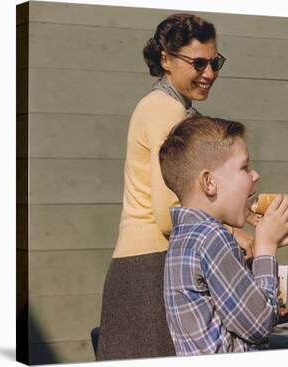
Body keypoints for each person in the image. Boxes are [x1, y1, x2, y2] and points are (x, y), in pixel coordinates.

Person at [97, 13, 254, 360]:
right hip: (150, 268)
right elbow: (169, 215)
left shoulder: (171, 108)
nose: (209, 74)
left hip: (147, 265)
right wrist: (233, 233)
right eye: (198, 63)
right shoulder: (165, 110)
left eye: (215, 63)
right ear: (165, 59)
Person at [158, 116, 288, 355]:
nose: (255, 175)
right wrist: (266, 248)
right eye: (244, 167)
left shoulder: (185, 236)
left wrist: (262, 247)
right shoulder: (213, 238)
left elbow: (231, 314)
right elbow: (259, 324)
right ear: (209, 183)